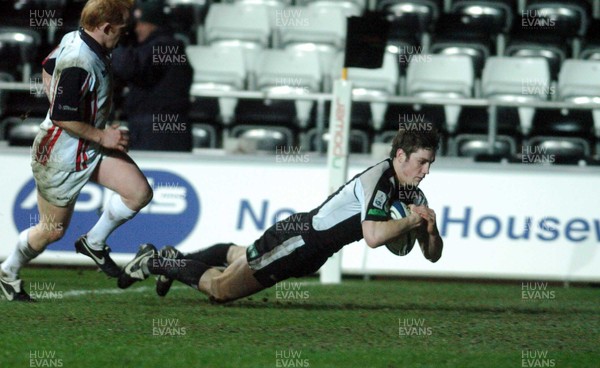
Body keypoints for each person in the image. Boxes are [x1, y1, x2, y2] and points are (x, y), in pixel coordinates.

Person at [118, 128, 444, 303]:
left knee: (242, 257)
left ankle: (176, 258)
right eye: (422, 162)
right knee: (220, 290)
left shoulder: (412, 194)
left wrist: (430, 229)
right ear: (400, 155)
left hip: (310, 251)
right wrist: (413, 221)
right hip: (298, 241)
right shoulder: (381, 179)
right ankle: (155, 261)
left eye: (430, 163)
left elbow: (432, 257)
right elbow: (373, 238)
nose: (426, 171)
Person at [0, 0, 153, 302]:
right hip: (59, 154)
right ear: (106, 28)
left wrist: (68, 106)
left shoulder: (75, 37)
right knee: (51, 231)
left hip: (88, 146)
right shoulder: (80, 60)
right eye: (120, 31)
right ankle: (8, 271)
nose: (123, 37)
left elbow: (47, 67)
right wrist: (102, 135)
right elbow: (61, 116)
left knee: (139, 193)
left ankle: (93, 243)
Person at [112, 0, 193, 152]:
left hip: (160, 129)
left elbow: (130, 68)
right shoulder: (162, 46)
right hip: (155, 127)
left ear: (153, 24)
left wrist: (116, 42)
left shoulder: (168, 47)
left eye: (140, 24)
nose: (136, 29)